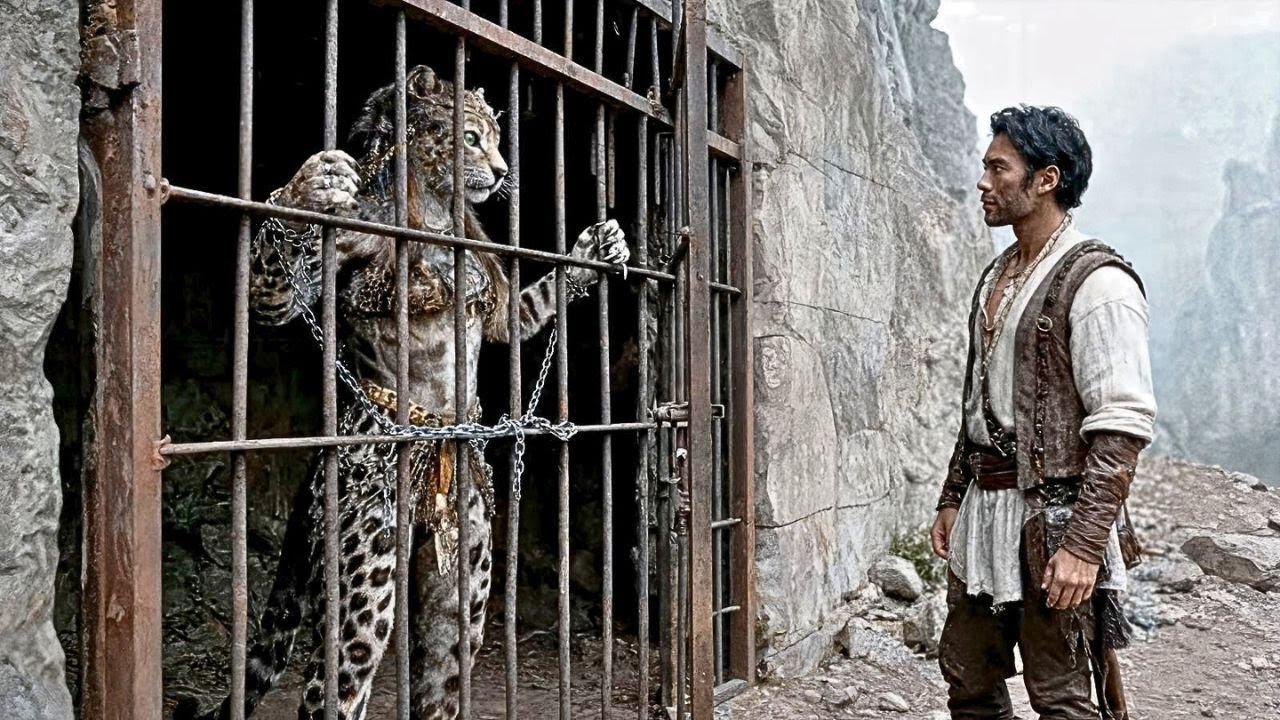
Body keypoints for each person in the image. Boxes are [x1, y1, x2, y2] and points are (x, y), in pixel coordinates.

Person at [930, 105, 1155, 720]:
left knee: (1061, 697)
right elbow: (977, 402)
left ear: (1046, 179)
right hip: (985, 510)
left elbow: (1121, 426)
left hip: (1054, 519)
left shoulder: (1099, 283)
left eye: (998, 168)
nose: (982, 182)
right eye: (985, 166)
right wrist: (954, 494)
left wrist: (1083, 546)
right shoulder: (997, 274)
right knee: (969, 682)